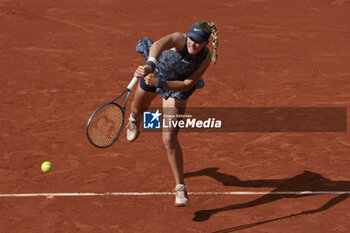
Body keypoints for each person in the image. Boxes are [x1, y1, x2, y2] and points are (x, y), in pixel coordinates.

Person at [126, 20, 218, 207]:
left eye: (198, 41)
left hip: (175, 87)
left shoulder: (206, 58)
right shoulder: (179, 39)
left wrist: (160, 83)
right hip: (156, 72)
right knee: (137, 109)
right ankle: (134, 120)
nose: (193, 43)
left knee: (169, 139)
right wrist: (149, 67)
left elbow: (187, 84)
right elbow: (159, 45)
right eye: (191, 38)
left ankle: (180, 187)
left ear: (206, 43)